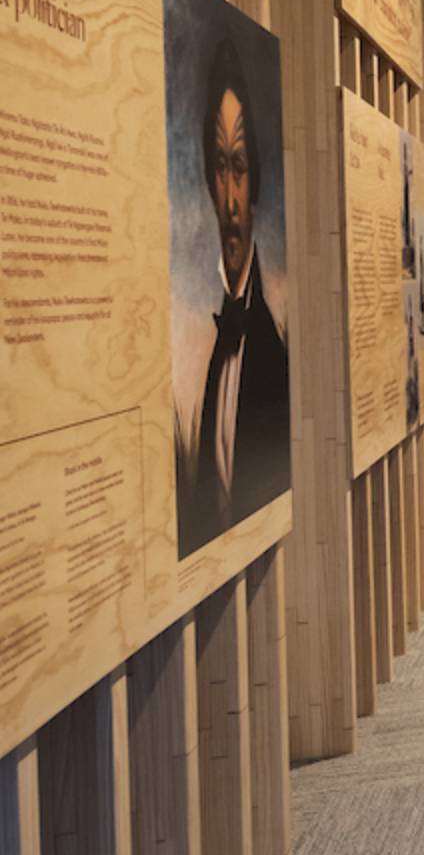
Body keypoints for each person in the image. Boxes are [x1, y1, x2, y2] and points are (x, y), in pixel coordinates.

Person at [180, 38, 291, 554]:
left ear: (257, 182)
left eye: (239, 167)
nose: (229, 197)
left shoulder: (273, 351)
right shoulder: (214, 354)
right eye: (220, 166)